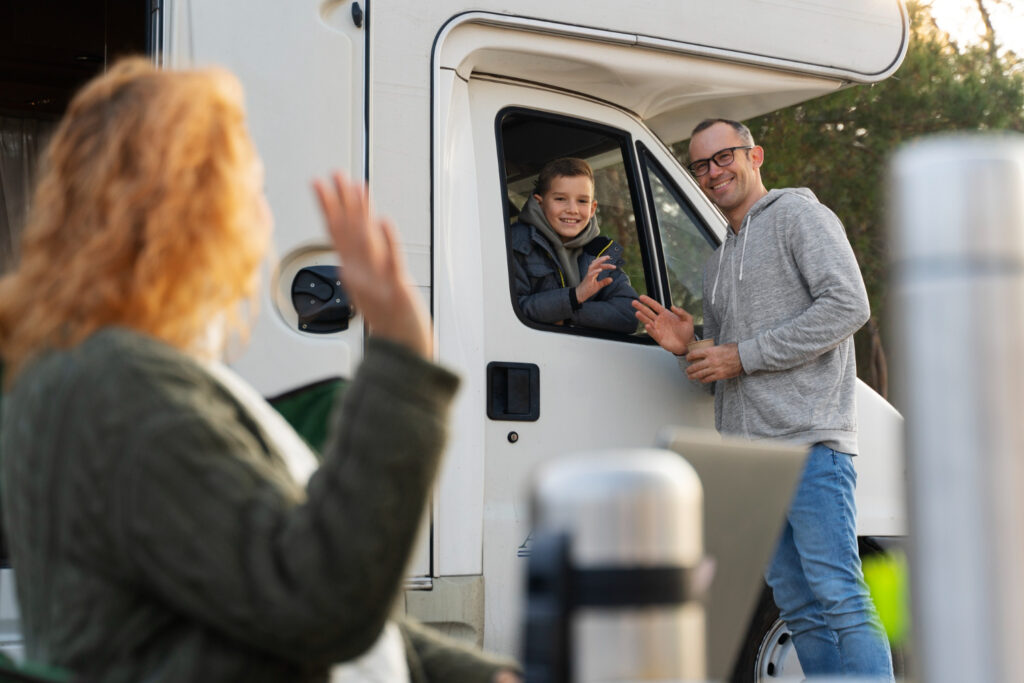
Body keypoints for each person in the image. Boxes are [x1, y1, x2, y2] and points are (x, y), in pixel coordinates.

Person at [0, 58, 518, 683]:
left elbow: (255, 601)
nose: (265, 223)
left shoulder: (116, 371)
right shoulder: (118, 390)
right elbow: (320, 601)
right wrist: (405, 359)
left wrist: (473, 674)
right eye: (253, 193)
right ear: (200, 212)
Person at [632, 119, 894, 680]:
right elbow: (724, 366)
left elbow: (848, 306)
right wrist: (689, 349)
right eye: (700, 165)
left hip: (808, 446)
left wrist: (739, 355)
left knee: (840, 598)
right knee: (799, 607)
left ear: (756, 156)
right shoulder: (719, 259)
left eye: (722, 157)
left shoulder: (801, 216)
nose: (712, 172)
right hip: (752, 460)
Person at [510, 157, 638, 333]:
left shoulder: (601, 251)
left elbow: (628, 316)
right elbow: (513, 310)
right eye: (561, 199)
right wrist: (575, 296)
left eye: (582, 201)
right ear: (539, 203)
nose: (572, 209)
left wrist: (570, 313)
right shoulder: (516, 243)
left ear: (593, 208)